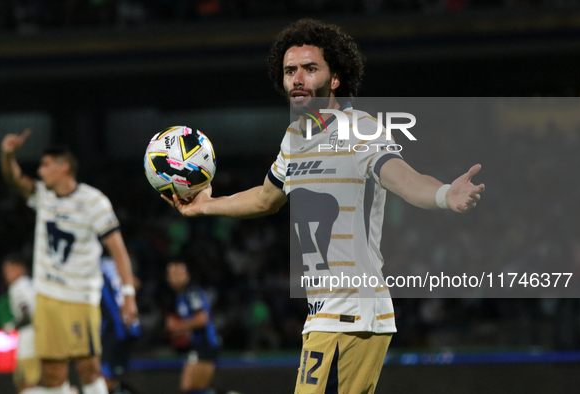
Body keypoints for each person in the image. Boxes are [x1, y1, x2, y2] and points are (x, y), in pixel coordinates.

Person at [163, 19, 485, 394]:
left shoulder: (359, 129)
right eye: (289, 71)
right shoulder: (295, 138)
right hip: (323, 312)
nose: (297, 78)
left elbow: (404, 178)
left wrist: (444, 193)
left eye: (309, 69)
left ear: (335, 79)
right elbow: (266, 198)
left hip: (358, 310)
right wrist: (205, 205)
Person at [0, 130, 138, 394]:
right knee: (52, 374)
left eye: (45, 165)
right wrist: (7, 154)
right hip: (47, 296)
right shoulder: (44, 196)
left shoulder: (93, 201)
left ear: (64, 167)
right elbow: (14, 179)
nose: (40, 171)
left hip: (79, 297)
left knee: (89, 368)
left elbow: (119, 251)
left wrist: (128, 293)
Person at [165, 261, 220, 394]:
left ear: (188, 276)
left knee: (188, 386)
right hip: (198, 345)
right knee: (196, 388)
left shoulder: (192, 293)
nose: (176, 277)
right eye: (172, 274)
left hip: (206, 344)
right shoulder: (180, 297)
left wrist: (179, 327)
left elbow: (202, 318)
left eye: (179, 274)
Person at [100, 256, 141, 394]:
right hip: (129, 325)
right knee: (108, 377)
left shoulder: (96, 263)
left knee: (105, 379)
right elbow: (135, 282)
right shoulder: (120, 261)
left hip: (114, 327)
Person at [2, 253, 40, 393]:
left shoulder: (18, 286)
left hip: (29, 342)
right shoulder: (33, 283)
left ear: (20, 268)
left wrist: (10, 327)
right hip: (40, 338)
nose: (7, 274)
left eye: (10, 269)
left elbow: (27, 314)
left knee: (26, 384)